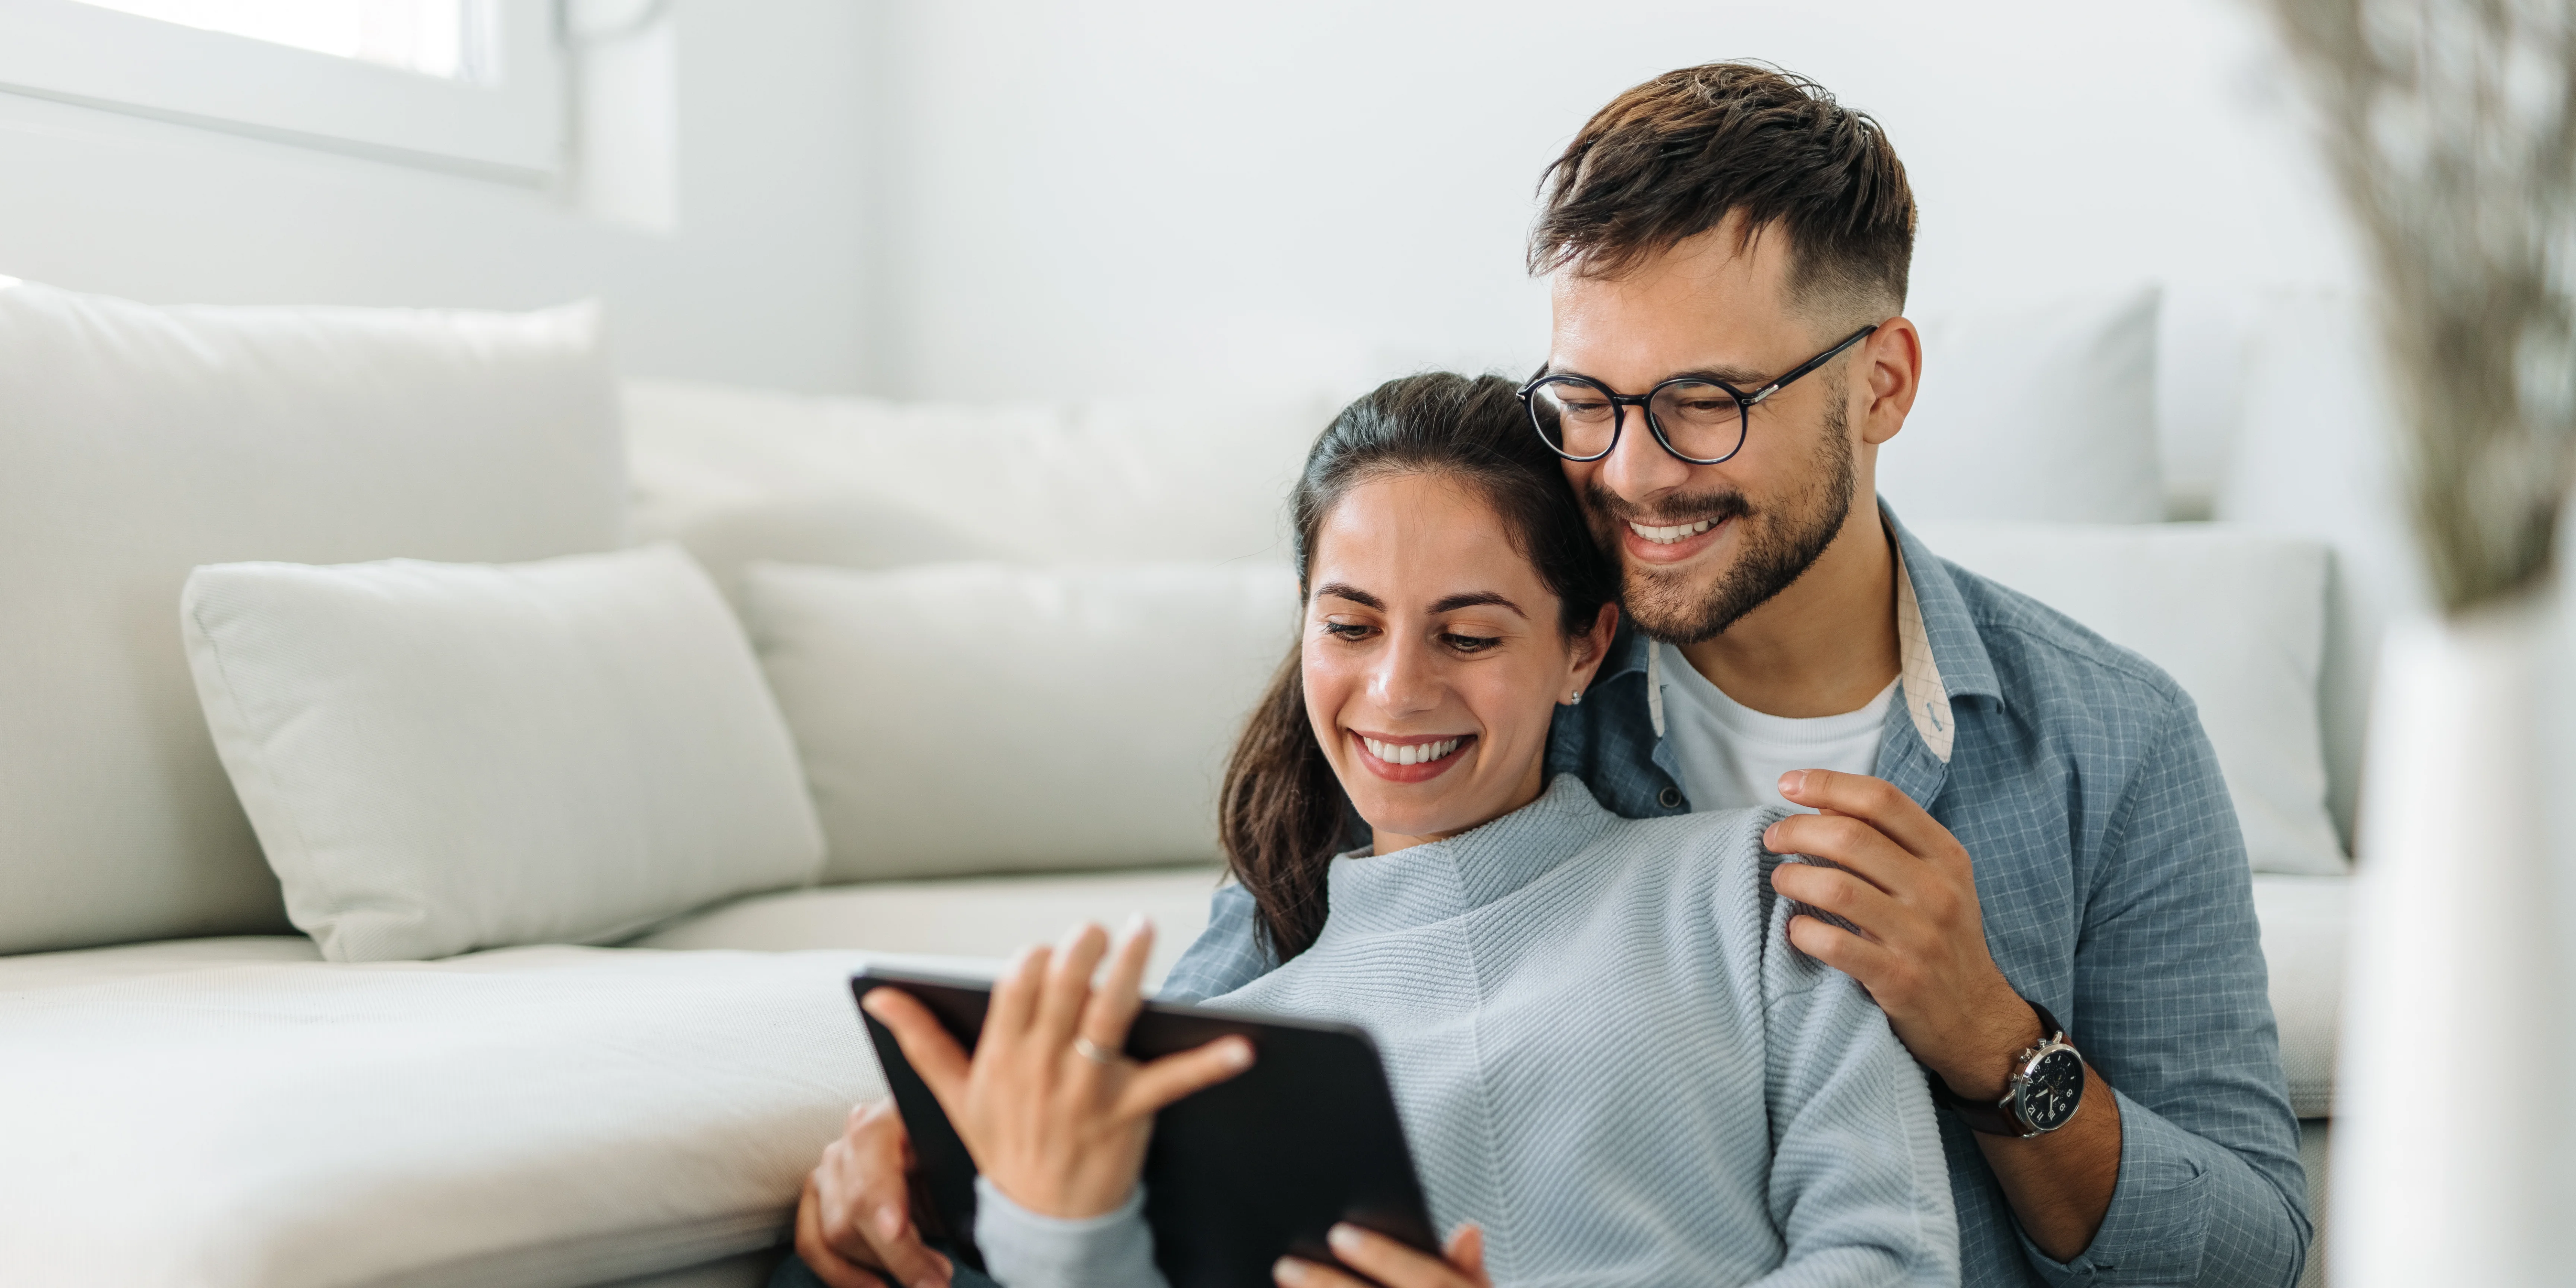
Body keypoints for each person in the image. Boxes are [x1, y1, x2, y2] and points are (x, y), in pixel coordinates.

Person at [1162, 64, 2311, 1288]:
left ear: (1882, 385)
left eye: (1704, 402)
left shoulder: (2111, 742)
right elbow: (1162, 1091)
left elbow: (2252, 1257)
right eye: (1590, 401)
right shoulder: (1485, 686)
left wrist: (1993, 1038)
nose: (1635, 473)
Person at [788, 373, 1960, 1288]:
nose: (1396, 693)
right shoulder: (1230, 1048)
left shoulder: (1756, 898)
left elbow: (1893, 1264)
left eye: (1470, 635)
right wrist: (1055, 1227)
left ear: (1585, 649)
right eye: (1351, 626)